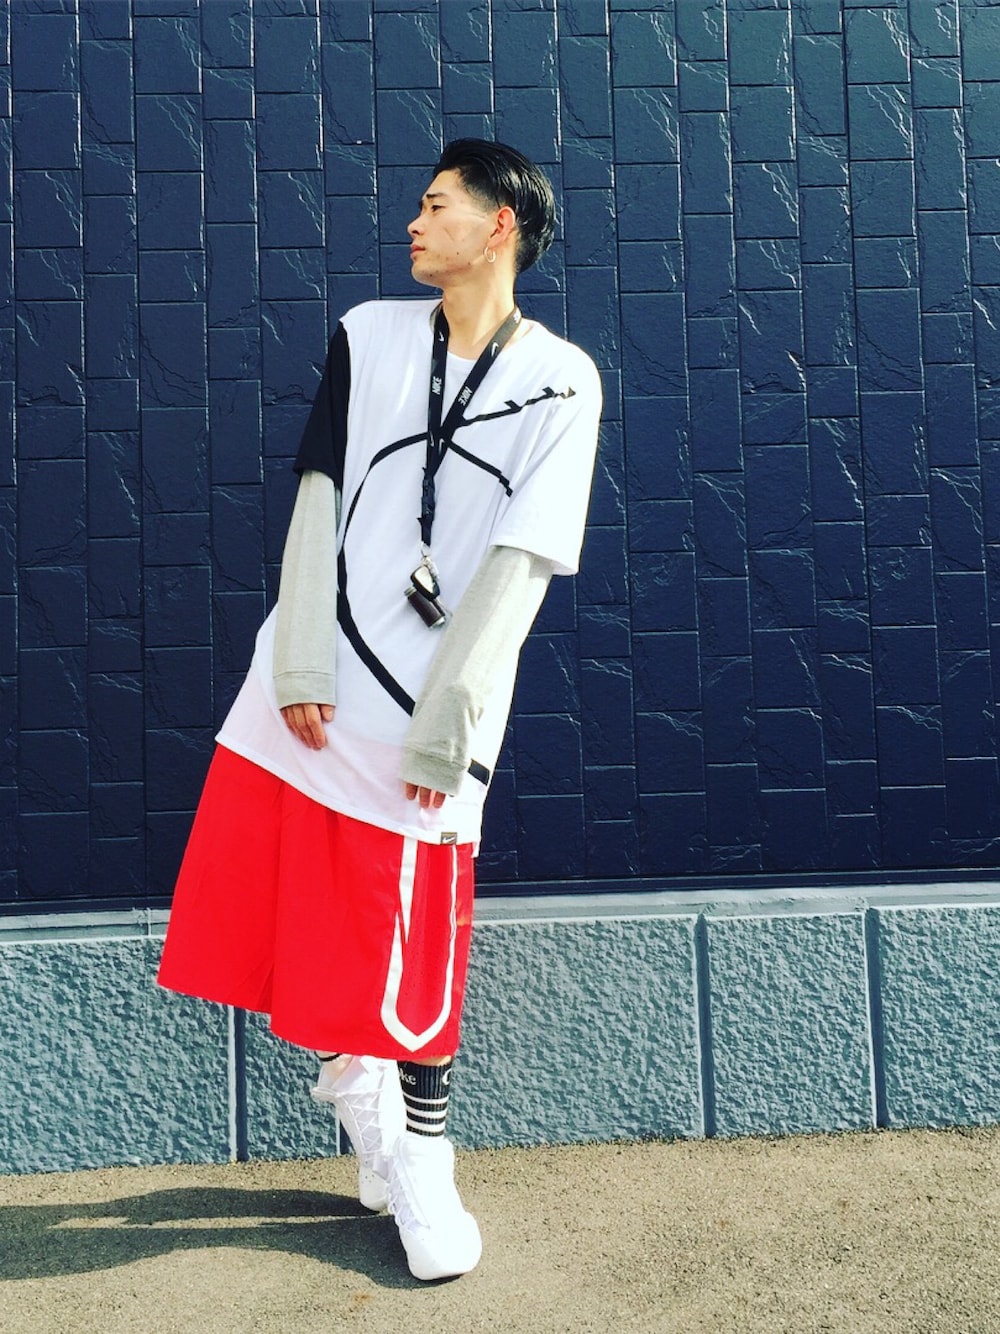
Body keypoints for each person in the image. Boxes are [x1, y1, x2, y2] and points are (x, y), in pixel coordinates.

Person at [157, 139, 602, 1281]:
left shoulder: (564, 380)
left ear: (498, 225)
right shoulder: (369, 333)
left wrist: (448, 720)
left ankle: (419, 1150)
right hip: (315, 686)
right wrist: (301, 660)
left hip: (432, 705)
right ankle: (369, 1108)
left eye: (436, 205)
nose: (414, 221)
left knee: (415, 939)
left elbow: (525, 560)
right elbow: (320, 494)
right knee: (305, 915)